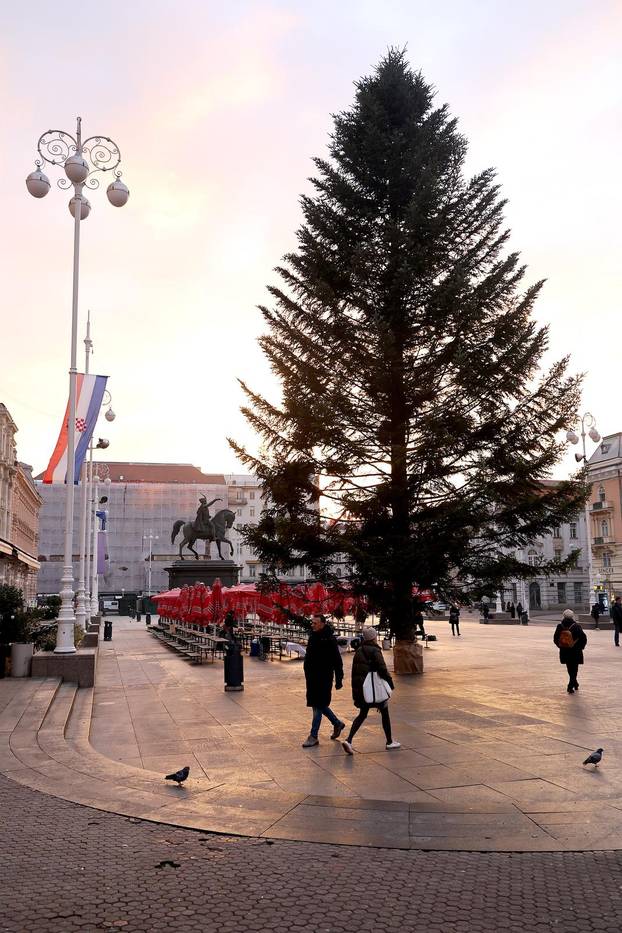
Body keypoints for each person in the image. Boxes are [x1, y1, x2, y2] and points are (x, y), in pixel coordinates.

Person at [342, 626, 400, 754]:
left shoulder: (359, 650)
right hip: (375, 689)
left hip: (364, 690)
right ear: (373, 637)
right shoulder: (375, 650)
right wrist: (390, 683)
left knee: (362, 714)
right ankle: (390, 741)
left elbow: (356, 673)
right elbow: (382, 669)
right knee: (385, 713)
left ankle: (349, 740)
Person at [301, 614, 344, 747]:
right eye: (312, 622)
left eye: (315, 623)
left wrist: (339, 679)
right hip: (312, 677)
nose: (312, 625)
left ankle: (313, 736)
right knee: (318, 704)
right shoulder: (313, 637)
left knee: (318, 705)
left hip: (324, 677)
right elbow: (308, 656)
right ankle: (337, 723)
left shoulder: (329, 639)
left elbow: (337, 660)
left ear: (322, 624)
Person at [553, 608, 587, 693]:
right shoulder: (576, 626)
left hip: (565, 651)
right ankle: (570, 685)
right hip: (575, 651)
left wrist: (561, 646)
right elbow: (583, 638)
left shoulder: (560, 626)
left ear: (563, 616)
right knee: (575, 668)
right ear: (572, 616)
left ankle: (574, 683)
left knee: (569, 668)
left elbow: (555, 638)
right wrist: (581, 647)